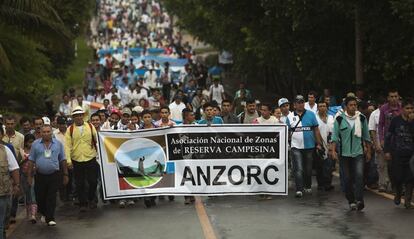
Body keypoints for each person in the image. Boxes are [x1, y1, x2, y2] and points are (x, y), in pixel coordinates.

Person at [331, 96, 371, 211]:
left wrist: (368, 151)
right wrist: (333, 151)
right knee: (347, 179)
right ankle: (351, 200)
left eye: (355, 105)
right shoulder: (339, 119)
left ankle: (359, 200)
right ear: (346, 106)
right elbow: (334, 137)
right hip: (344, 154)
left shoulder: (362, 118)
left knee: (359, 176)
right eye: (351, 105)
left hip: (358, 153)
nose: (353, 107)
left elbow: (366, 137)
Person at [27, 125, 68, 226]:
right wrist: (29, 176)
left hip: (54, 174)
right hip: (40, 175)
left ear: (51, 132)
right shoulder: (35, 144)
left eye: (48, 131)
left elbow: (63, 159)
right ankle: (44, 213)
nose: (46, 134)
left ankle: (50, 218)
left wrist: (65, 174)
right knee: (40, 197)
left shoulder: (58, 144)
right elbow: (31, 160)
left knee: (51, 196)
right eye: (44, 132)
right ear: (40, 133)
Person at [287, 95, 323, 198]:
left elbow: (316, 130)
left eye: (302, 102)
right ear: (294, 105)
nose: (300, 104)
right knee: (298, 168)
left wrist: (319, 144)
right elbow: (287, 132)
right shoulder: (290, 117)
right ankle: (299, 189)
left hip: (309, 146)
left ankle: (307, 185)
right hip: (295, 147)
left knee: (308, 169)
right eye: (298, 102)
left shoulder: (311, 114)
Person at [65, 106, 99, 212]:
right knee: (79, 183)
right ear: (73, 117)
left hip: (90, 156)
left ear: (83, 116)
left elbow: (97, 139)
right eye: (76, 116)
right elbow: (67, 146)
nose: (79, 117)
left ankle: (91, 198)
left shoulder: (90, 126)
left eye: (80, 115)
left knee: (93, 181)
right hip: (77, 158)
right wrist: (68, 160)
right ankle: (82, 203)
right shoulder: (69, 130)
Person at [384, 98, 414, 209]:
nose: (410, 110)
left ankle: (407, 200)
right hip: (397, 153)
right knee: (398, 177)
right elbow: (388, 136)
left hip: (411, 154)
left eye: (411, 108)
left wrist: (411, 122)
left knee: (411, 178)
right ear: (402, 109)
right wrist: (387, 151)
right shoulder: (395, 120)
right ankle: (398, 193)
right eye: (407, 108)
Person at [378, 89, 401, 192]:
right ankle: (384, 184)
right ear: (388, 98)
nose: (394, 98)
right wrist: (381, 139)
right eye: (391, 96)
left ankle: (397, 185)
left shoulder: (402, 108)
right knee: (385, 164)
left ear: (398, 97)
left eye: (395, 96)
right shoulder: (384, 108)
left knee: (398, 165)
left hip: (400, 141)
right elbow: (381, 125)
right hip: (388, 140)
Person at [0, 124, 20, 239]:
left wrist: (17, 185)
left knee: (2, 221)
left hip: (3, 193)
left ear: (2, 135)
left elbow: (14, 168)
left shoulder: (6, 150)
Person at [314, 101, 335, 191]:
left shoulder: (331, 118)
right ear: (318, 108)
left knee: (329, 165)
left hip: (330, 144)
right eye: (320, 106)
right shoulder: (315, 118)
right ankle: (320, 183)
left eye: (324, 106)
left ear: (327, 108)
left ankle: (328, 183)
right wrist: (317, 144)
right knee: (320, 165)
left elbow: (334, 131)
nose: (322, 107)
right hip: (319, 144)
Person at [140, 110, 158, 208]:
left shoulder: (157, 128)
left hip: (155, 156)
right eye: (145, 117)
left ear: (151, 118)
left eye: (148, 117)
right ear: (142, 119)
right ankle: (146, 196)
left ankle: (153, 196)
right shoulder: (139, 130)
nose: (147, 119)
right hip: (144, 156)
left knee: (154, 176)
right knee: (145, 176)